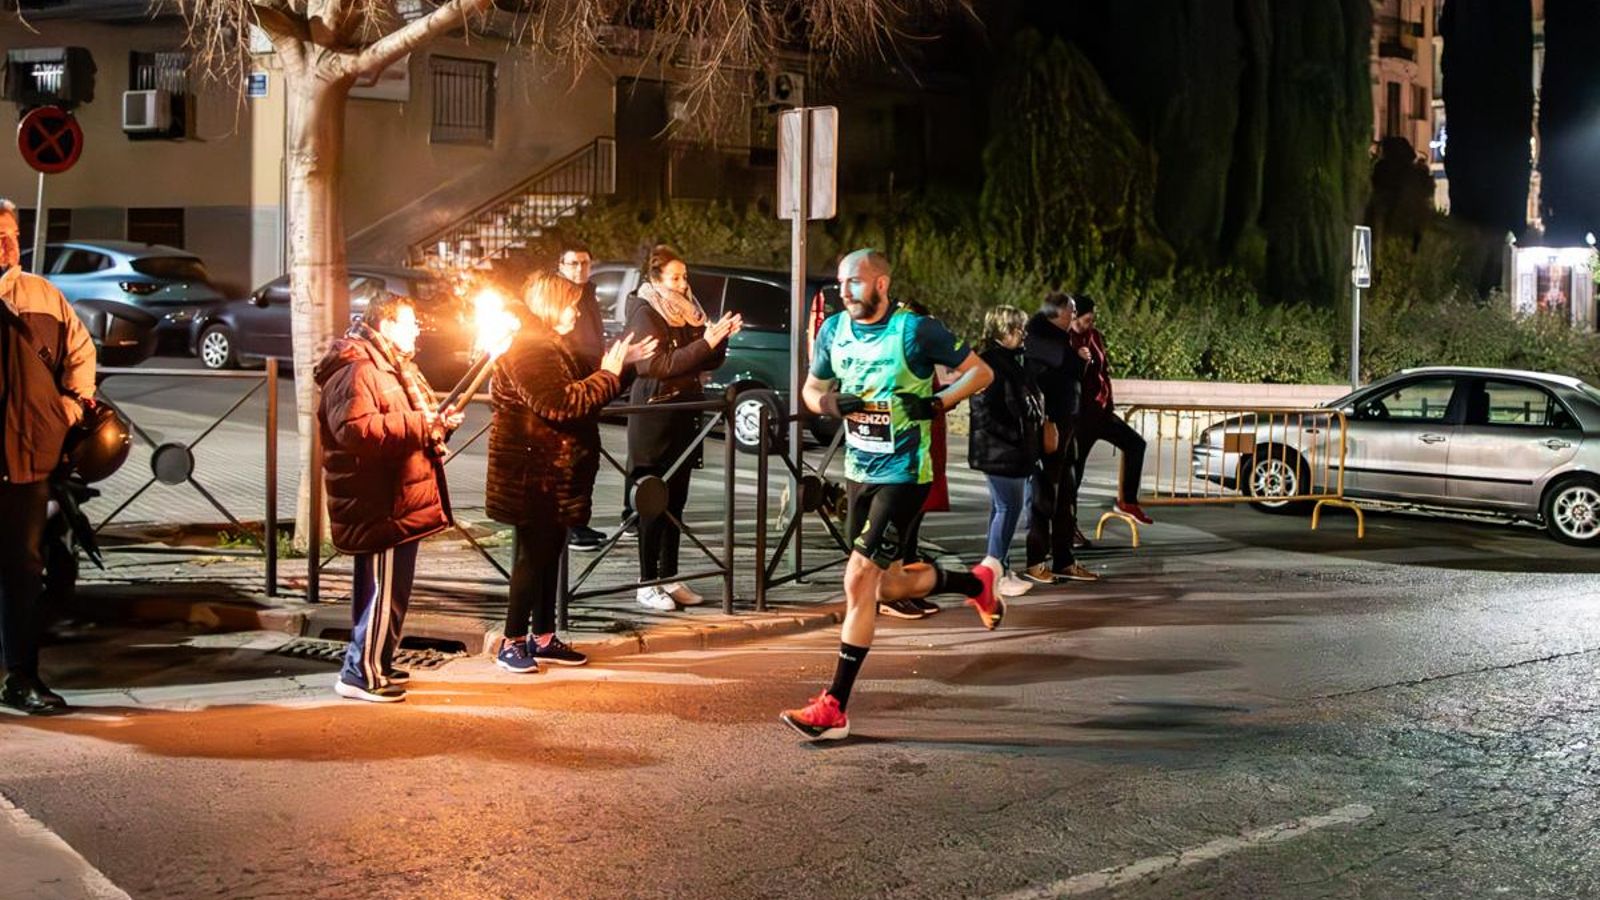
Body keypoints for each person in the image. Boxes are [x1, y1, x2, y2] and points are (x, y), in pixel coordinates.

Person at [780, 248, 999, 742]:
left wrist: (938, 402)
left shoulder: (915, 330)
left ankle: (834, 706)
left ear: (881, 283)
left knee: (858, 578)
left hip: (905, 471)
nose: (845, 291)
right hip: (860, 469)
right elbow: (811, 391)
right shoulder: (834, 331)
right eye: (840, 283)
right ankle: (975, 585)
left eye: (854, 282)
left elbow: (981, 372)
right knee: (887, 585)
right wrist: (829, 403)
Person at [488, 271, 656, 672]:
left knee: (550, 554)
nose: (576, 311)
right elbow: (562, 403)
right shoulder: (528, 348)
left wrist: (622, 366)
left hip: (554, 473)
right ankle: (511, 641)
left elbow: (586, 378)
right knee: (533, 557)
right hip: (534, 472)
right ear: (548, 305)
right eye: (570, 304)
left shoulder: (549, 344)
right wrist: (610, 372)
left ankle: (543, 636)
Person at [315, 288, 466, 703]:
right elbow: (355, 430)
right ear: (385, 324)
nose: (416, 329)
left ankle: (376, 660)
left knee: (390, 588)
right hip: (378, 499)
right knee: (381, 590)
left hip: (397, 494)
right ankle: (359, 673)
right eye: (409, 321)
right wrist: (420, 423)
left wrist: (437, 425)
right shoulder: (360, 368)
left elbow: (401, 423)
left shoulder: (391, 365)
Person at [0, 198, 95, 715]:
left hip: (28, 458)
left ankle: (20, 676)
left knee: (21, 572)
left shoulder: (42, 294)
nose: (7, 243)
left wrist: (72, 408)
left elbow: (81, 352)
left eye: (11, 233)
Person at [625, 245, 742, 611]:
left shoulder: (691, 309)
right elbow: (656, 365)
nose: (681, 283)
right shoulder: (646, 310)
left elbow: (708, 357)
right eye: (674, 277)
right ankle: (647, 581)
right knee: (652, 498)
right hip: (655, 412)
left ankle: (670, 576)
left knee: (677, 500)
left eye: (684, 276)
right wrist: (705, 342)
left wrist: (720, 338)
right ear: (656, 278)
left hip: (685, 412)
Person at [1022, 292, 1098, 584]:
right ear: (1056, 314)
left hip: (1068, 422)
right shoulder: (1041, 337)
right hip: (1051, 424)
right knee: (1046, 493)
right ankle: (1036, 560)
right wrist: (1076, 360)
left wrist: (1075, 360)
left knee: (1066, 492)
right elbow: (1062, 370)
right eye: (1072, 311)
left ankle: (1064, 559)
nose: (1075, 316)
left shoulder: (1058, 338)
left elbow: (1070, 369)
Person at [969, 305, 1046, 598]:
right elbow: (987, 410)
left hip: (1006, 448)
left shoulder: (1007, 360)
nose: (1023, 335)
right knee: (1007, 509)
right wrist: (1016, 436)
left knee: (1001, 508)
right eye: (1018, 329)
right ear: (1003, 331)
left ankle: (999, 567)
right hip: (1002, 450)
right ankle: (995, 574)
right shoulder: (993, 363)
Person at [1069, 295, 1152, 525]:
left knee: (1136, 444)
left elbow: (1102, 370)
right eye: (1087, 319)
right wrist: (1077, 360)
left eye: (1093, 319)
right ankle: (1068, 525)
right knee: (1074, 473)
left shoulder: (1094, 336)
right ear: (1074, 315)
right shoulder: (1066, 340)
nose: (1091, 323)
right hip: (1081, 416)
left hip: (1102, 411)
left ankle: (1128, 501)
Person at [553, 240, 615, 554]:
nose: (580, 269)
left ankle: (580, 521)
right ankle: (568, 526)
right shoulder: (558, 297)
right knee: (570, 460)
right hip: (572, 384)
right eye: (573, 263)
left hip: (592, 379)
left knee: (589, 458)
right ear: (561, 266)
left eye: (585, 263)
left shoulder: (588, 294)